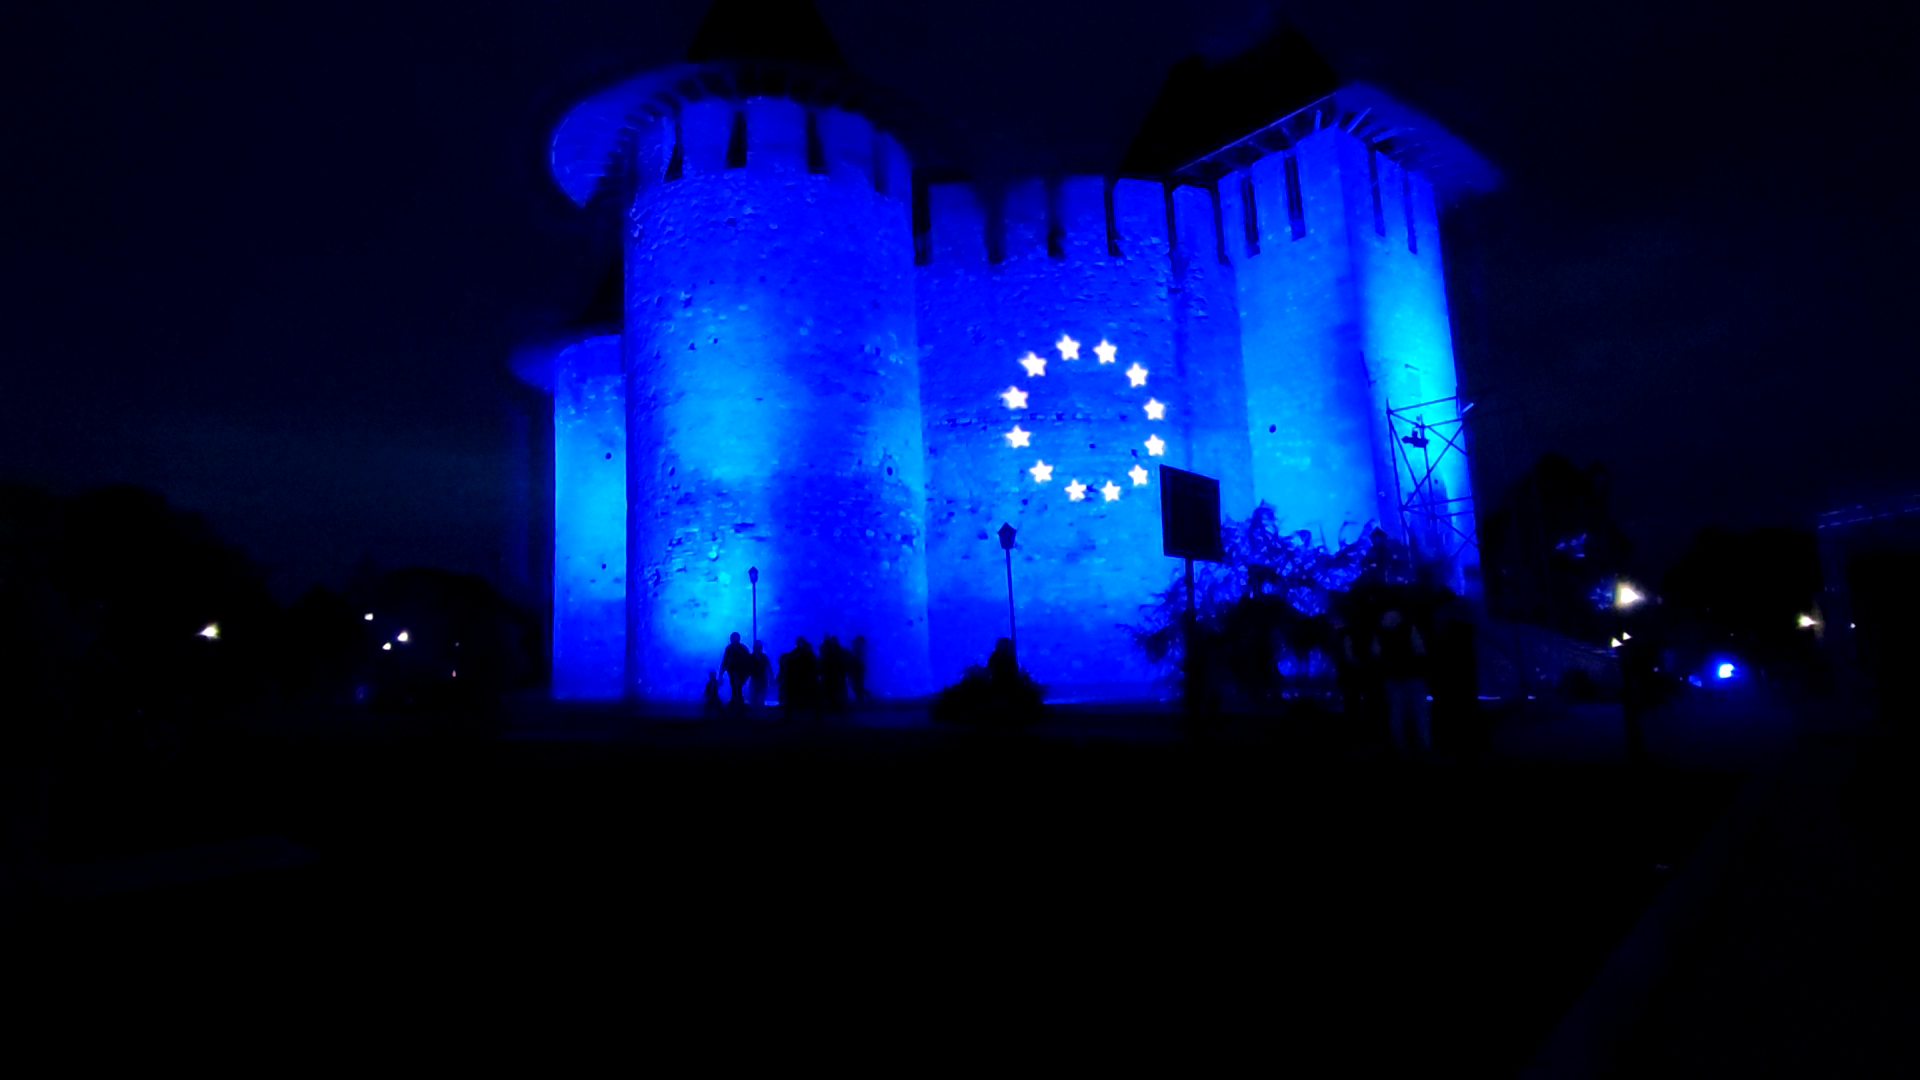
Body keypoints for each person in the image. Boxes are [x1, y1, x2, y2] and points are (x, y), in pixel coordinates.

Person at [1371, 607, 1431, 759]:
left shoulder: (1379, 630)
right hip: (1413, 672)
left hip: (1390, 674)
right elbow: (1420, 649)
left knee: (1396, 710)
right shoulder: (1409, 626)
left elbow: (1375, 653)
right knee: (1419, 709)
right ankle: (1425, 743)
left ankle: (1400, 744)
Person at [777, 637, 817, 721]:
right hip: (797, 680)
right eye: (798, 642)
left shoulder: (806, 653)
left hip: (804, 680)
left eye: (800, 642)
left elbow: (811, 665)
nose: (798, 644)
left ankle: (804, 716)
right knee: (794, 698)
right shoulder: (797, 652)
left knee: (802, 698)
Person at [818, 634, 848, 716]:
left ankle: (836, 708)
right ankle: (837, 708)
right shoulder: (834, 650)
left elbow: (824, 661)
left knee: (834, 691)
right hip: (833, 675)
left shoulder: (831, 650)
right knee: (833, 691)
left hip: (834, 675)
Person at [720, 632, 752, 706]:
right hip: (733, 671)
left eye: (734, 638)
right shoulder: (730, 648)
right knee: (735, 687)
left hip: (741, 671)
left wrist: (747, 673)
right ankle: (736, 701)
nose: (732, 640)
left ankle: (737, 702)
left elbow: (748, 661)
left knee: (737, 687)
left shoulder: (742, 648)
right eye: (732, 638)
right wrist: (721, 673)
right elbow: (725, 660)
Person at [848, 636, 871, 706]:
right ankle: (862, 699)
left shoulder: (858, 651)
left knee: (857, 685)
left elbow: (856, 660)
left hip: (857, 669)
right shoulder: (860, 650)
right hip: (858, 669)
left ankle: (861, 699)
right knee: (858, 685)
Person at [747, 640, 770, 708]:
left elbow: (768, 667)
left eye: (758, 647)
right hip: (755, 679)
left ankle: (759, 710)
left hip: (762, 679)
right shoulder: (751, 657)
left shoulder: (763, 657)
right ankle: (755, 710)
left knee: (761, 696)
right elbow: (747, 667)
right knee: (754, 697)